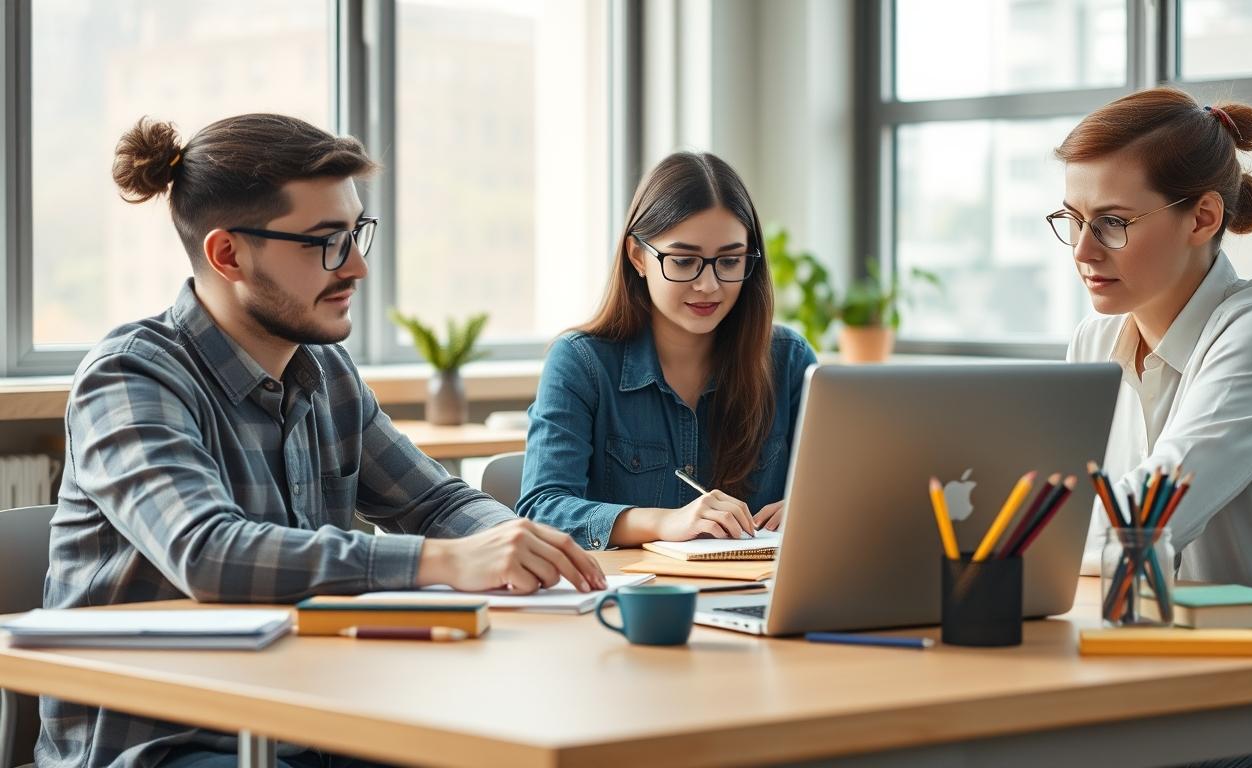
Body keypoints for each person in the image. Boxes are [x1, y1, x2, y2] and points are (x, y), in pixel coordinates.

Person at [42, 114, 604, 768]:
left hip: (313, 721)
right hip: (166, 744)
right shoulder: (129, 376)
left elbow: (438, 503)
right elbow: (207, 551)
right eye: (325, 242)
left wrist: (528, 551)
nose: (358, 267)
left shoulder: (323, 370)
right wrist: (447, 563)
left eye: (356, 233)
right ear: (228, 255)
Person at [1052, 87, 1252, 598]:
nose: (1083, 250)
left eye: (1112, 223)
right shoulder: (1093, 341)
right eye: (1073, 220)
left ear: (1203, 218)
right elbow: (1066, 520)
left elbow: (1143, 525)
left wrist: (1026, 541)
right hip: (1162, 640)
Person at [517, 151, 817, 549]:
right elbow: (541, 510)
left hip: (759, 602)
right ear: (638, 256)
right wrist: (662, 523)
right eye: (683, 261)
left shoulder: (790, 360)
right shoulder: (581, 364)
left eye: (729, 261)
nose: (709, 285)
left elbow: (848, 492)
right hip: (630, 605)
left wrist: (809, 510)